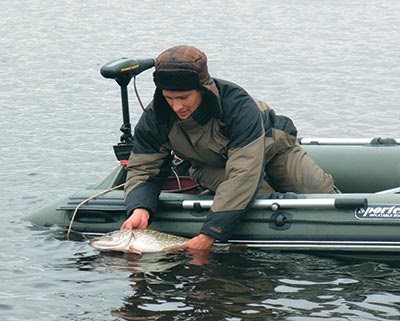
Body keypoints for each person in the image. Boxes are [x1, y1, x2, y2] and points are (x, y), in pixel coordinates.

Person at [121, 45, 336, 251]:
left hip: (274, 150)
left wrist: (209, 235)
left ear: (202, 90)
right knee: (261, 195)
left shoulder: (238, 106)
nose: (177, 106)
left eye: (184, 98)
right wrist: (140, 208)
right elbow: (143, 169)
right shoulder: (155, 117)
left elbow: (244, 172)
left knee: (317, 190)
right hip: (210, 165)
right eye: (169, 98)